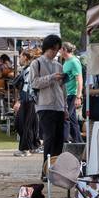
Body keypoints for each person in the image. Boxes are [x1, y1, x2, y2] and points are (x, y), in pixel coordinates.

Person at [30, 34, 66, 176]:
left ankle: (56, 172)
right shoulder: (36, 63)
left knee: (59, 141)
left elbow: (63, 88)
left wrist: (65, 108)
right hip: (44, 106)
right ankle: (45, 172)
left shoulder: (59, 65)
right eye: (53, 49)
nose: (55, 52)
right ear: (46, 48)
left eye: (57, 50)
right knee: (49, 140)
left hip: (59, 107)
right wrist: (51, 77)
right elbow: (34, 83)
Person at [11, 50, 38, 156]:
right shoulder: (26, 69)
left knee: (24, 124)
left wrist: (19, 101)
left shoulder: (30, 69)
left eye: (21, 57)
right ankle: (32, 146)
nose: (19, 59)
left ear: (26, 57)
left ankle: (25, 149)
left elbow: (27, 87)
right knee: (21, 124)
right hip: (27, 101)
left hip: (30, 101)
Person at [60, 41, 83, 145]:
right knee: (72, 119)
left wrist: (78, 96)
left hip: (72, 94)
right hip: (67, 94)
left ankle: (65, 141)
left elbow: (79, 79)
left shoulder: (74, 61)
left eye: (60, 49)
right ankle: (78, 142)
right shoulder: (66, 62)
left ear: (64, 49)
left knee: (66, 117)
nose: (59, 51)